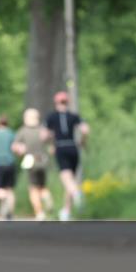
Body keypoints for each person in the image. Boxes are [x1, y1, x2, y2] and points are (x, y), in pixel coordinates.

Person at [42, 91, 90, 221]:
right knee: (71, 181)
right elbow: (85, 129)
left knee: (66, 179)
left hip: (61, 147)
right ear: (67, 102)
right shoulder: (73, 116)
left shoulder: (51, 117)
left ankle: (77, 194)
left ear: (56, 102)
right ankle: (66, 211)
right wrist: (83, 141)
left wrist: (49, 142)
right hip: (73, 147)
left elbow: (44, 136)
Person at [12, 108, 53, 220]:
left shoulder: (23, 131)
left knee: (33, 188)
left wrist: (19, 150)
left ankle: (39, 213)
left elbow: (15, 147)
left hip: (30, 160)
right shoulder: (42, 129)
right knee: (43, 186)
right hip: (43, 160)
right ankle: (46, 196)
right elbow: (51, 143)